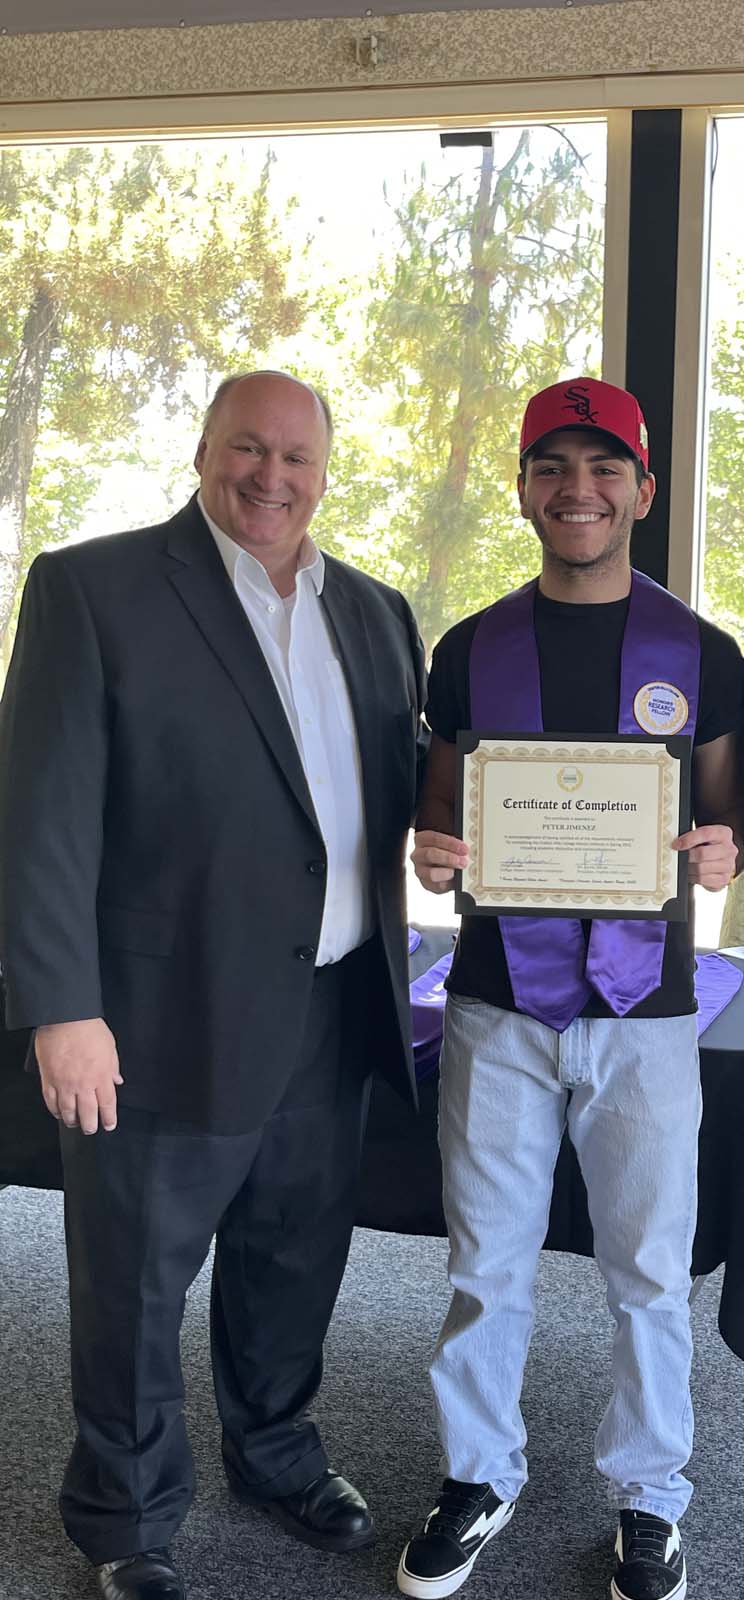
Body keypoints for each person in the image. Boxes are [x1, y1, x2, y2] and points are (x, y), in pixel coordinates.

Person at [0, 371, 427, 1600]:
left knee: (295, 1258)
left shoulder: (376, 610)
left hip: (334, 1006)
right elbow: (42, 818)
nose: (272, 476)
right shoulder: (96, 588)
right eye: (249, 448)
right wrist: (61, 1007)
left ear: (327, 471)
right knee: (135, 1276)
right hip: (153, 1014)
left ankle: (277, 1452)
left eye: (298, 456)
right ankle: (125, 1515)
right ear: (203, 450)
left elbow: (382, 797)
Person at [401, 377, 744, 1600]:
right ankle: (478, 1472)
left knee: (648, 1266)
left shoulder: (699, 651)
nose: (579, 489)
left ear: (644, 490)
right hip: (497, 999)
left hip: (645, 1008)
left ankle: (651, 1496)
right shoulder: (469, 649)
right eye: (553, 465)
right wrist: (431, 847)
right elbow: (442, 806)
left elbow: (725, 810)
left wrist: (726, 850)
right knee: (483, 1259)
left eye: (605, 468)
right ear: (523, 488)